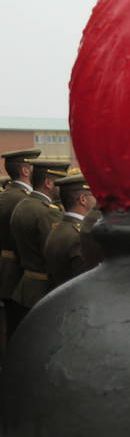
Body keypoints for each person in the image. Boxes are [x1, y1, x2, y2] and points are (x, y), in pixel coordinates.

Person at [10, 158, 69, 311]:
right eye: (60, 183)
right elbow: (54, 254)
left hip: (26, 285)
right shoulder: (47, 211)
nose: (62, 189)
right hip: (43, 290)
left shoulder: (24, 203)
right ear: (49, 183)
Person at [0, 148, 40, 347]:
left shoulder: (7, 195)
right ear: (25, 170)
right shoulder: (23, 200)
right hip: (18, 270)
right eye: (34, 166)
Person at [44, 174, 97, 288]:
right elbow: (85, 282)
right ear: (83, 199)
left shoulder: (59, 227)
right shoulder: (79, 236)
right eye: (94, 195)